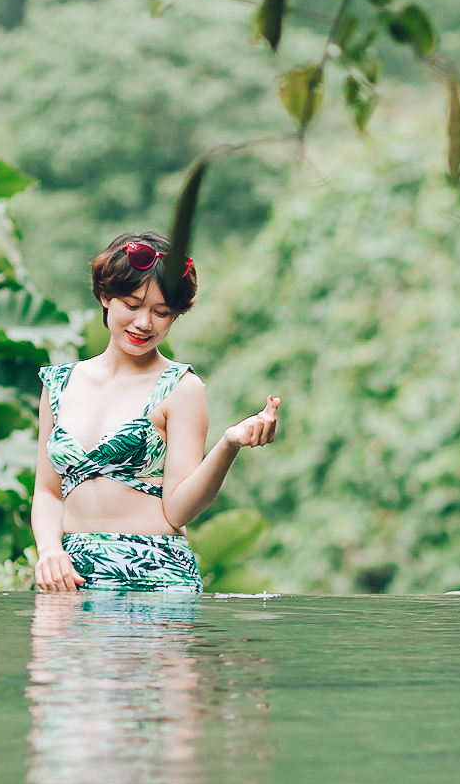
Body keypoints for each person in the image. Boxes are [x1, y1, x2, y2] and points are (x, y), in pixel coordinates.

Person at [31, 231, 281, 592]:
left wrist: (229, 444)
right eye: (132, 305)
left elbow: (178, 509)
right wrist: (50, 551)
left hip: (154, 571)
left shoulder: (180, 388)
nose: (144, 323)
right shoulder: (59, 383)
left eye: (161, 312)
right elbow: (47, 492)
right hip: (70, 575)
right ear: (105, 296)